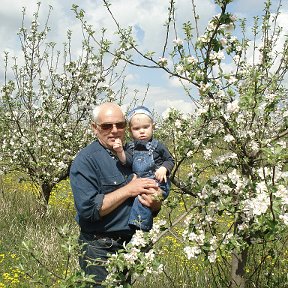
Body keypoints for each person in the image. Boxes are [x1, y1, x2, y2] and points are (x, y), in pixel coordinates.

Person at [69, 102, 162, 287]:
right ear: (95, 128)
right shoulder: (86, 160)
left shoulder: (133, 154)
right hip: (100, 250)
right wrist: (129, 189)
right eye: (107, 126)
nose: (114, 130)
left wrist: (155, 201)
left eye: (120, 124)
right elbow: (89, 210)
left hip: (129, 247)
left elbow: (152, 200)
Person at [113, 106, 174, 231]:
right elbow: (127, 162)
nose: (142, 131)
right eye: (136, 128)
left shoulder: (158, 146)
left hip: (157, 182)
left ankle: (141, 227)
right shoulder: (130, 148)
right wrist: (120, 152)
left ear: (153, 126)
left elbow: (170, 160)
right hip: (140, 181)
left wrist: (164, 169)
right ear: (130, 131)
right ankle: (131, 225)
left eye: (146, 127)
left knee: (142, 200)